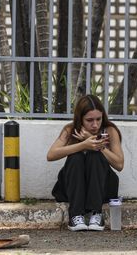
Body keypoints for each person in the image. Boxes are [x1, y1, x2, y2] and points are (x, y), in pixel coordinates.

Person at [47, 94, 124, 231]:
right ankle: (76, 215)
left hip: (102, 190)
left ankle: (96, 213)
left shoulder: (110, 130)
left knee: (95, 156)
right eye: (89, 120)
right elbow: (51, 155)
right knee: (76, 157)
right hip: (73, 189)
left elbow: (119, 165)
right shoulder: (70, 129)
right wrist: (83, 145)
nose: (95, 124)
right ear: (80, 119)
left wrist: (98, 145)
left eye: (98, 119)